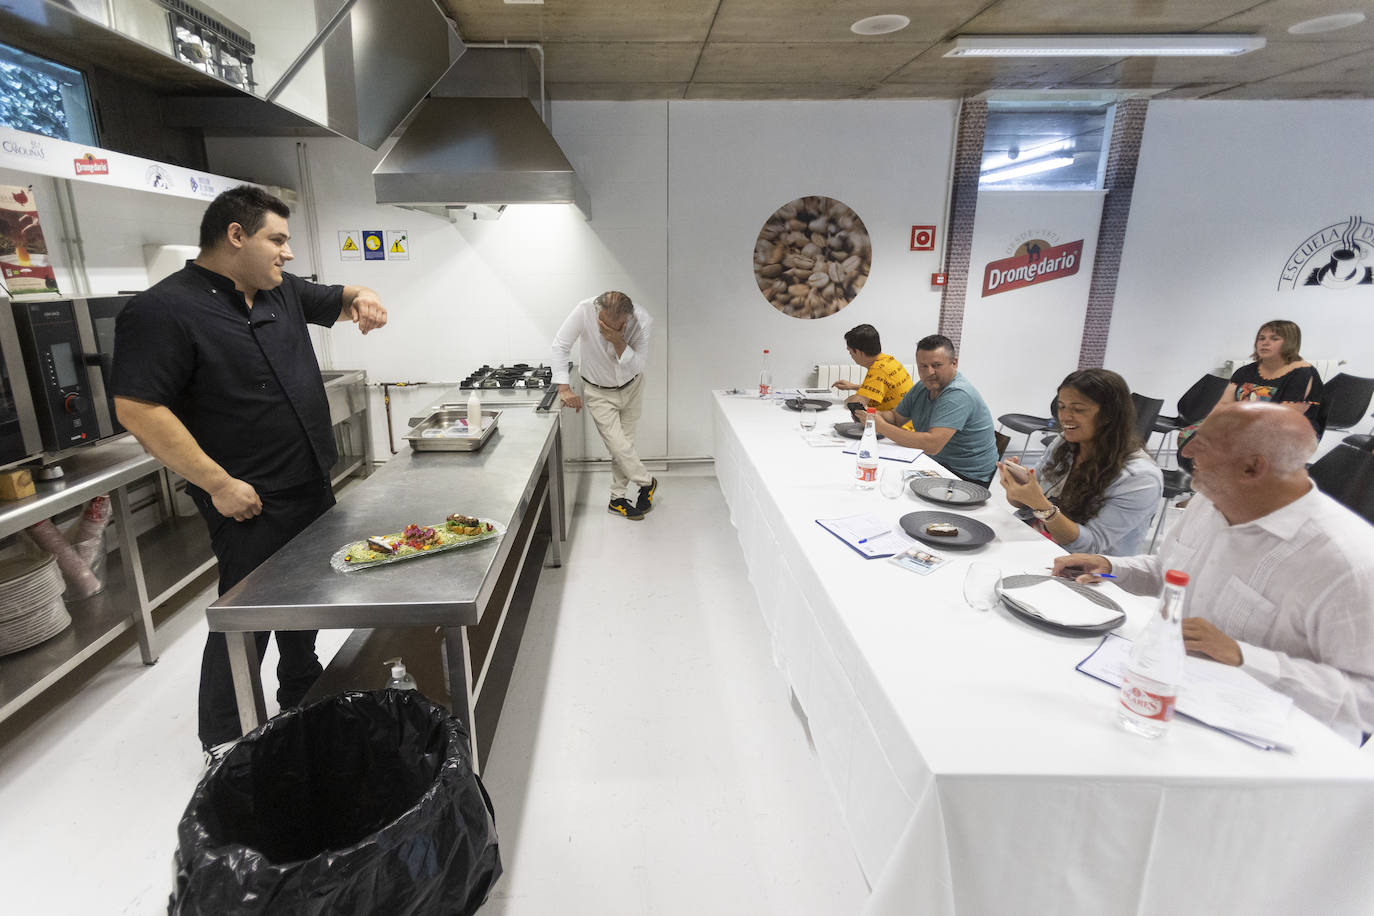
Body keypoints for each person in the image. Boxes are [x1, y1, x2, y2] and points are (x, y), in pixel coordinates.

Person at [110, 185, 387, 762]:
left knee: (304, 598)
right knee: (245, 616)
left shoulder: (277, 292)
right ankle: (225, 738)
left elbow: (343, 295)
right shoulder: (163, 309)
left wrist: (366, 297)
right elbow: (137, 407)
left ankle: (301, 691)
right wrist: (216, 484)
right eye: (277, 240)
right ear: (236, 236)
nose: (286, 253)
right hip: (247, 497)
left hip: (309, 480)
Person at [1053, 402, 1374, 744]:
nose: (1187, 452)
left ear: (1252, 467)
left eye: (1201, 445)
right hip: (1178, 702)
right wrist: (1111, 568)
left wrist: (1243, 658)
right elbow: (1169, 573)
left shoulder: (1347, 564)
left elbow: (1366, 700)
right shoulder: (1212, 500)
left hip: (1276, 746)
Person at [999, 369, 1162, 556]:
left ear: (1109, 414)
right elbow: (1025, 505)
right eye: (1062, 407)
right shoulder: (1066, 444)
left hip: (1081, 570)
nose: (1065, 416)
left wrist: (1041, 506)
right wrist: (1017, 490)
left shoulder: (1140, 478)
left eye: (1078, 409)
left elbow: (1089, 546)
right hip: (1035, 542)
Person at [552, 291, 657, 520]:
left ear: (627, 318)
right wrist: (563, 387)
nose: (605, 330)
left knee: (625, 444)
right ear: (597, 312)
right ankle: (647, 482)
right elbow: (560, 345)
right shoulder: (584, 310)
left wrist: (618, 341)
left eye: (614, 326)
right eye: (602, 324)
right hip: (598, 392)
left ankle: (616, 499)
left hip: (632, 387)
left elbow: (637, 365)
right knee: (618, 446)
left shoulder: (642, 320)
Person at [869, 334, 999, 486]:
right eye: (923, 366)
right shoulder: (923, 386)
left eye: (937, 365)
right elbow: (896, 418)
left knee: (889, 484)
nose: (929, 372)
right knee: (881, 477)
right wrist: (871, 415)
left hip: (965, 477)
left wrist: (880, 426)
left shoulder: (958, 394)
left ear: (954, 363)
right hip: (936, 464)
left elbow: (932, 445)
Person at [1219, 319, 1323, 431]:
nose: (1265, 343)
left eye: (1274, 339)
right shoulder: (1245, 371)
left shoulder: (1302, 373)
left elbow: (1284, 418)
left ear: (1290, 343)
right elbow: (1224, 405)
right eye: (1261, 338)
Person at [830, 323, 913, 414]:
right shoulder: (888, 360)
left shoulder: (878, 370)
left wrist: (847, 400)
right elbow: (881, 387)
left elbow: (856, 404)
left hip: (899, 426)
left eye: (850, 352)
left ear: (858, 352)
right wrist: (852, 386)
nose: (851, 356)